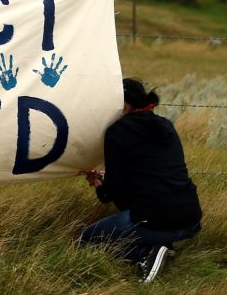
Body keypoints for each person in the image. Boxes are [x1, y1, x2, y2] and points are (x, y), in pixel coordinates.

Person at [79, 78, 202, 283]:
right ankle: (164, 247)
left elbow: (110, 194)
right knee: (143, 217)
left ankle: (145, 254)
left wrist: (100, 184)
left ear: (124, 104)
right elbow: (151, 173)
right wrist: (111, 179)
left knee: (87, 240)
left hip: (155, 219)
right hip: (190, 218)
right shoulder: (166, 126)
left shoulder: (117, 132)